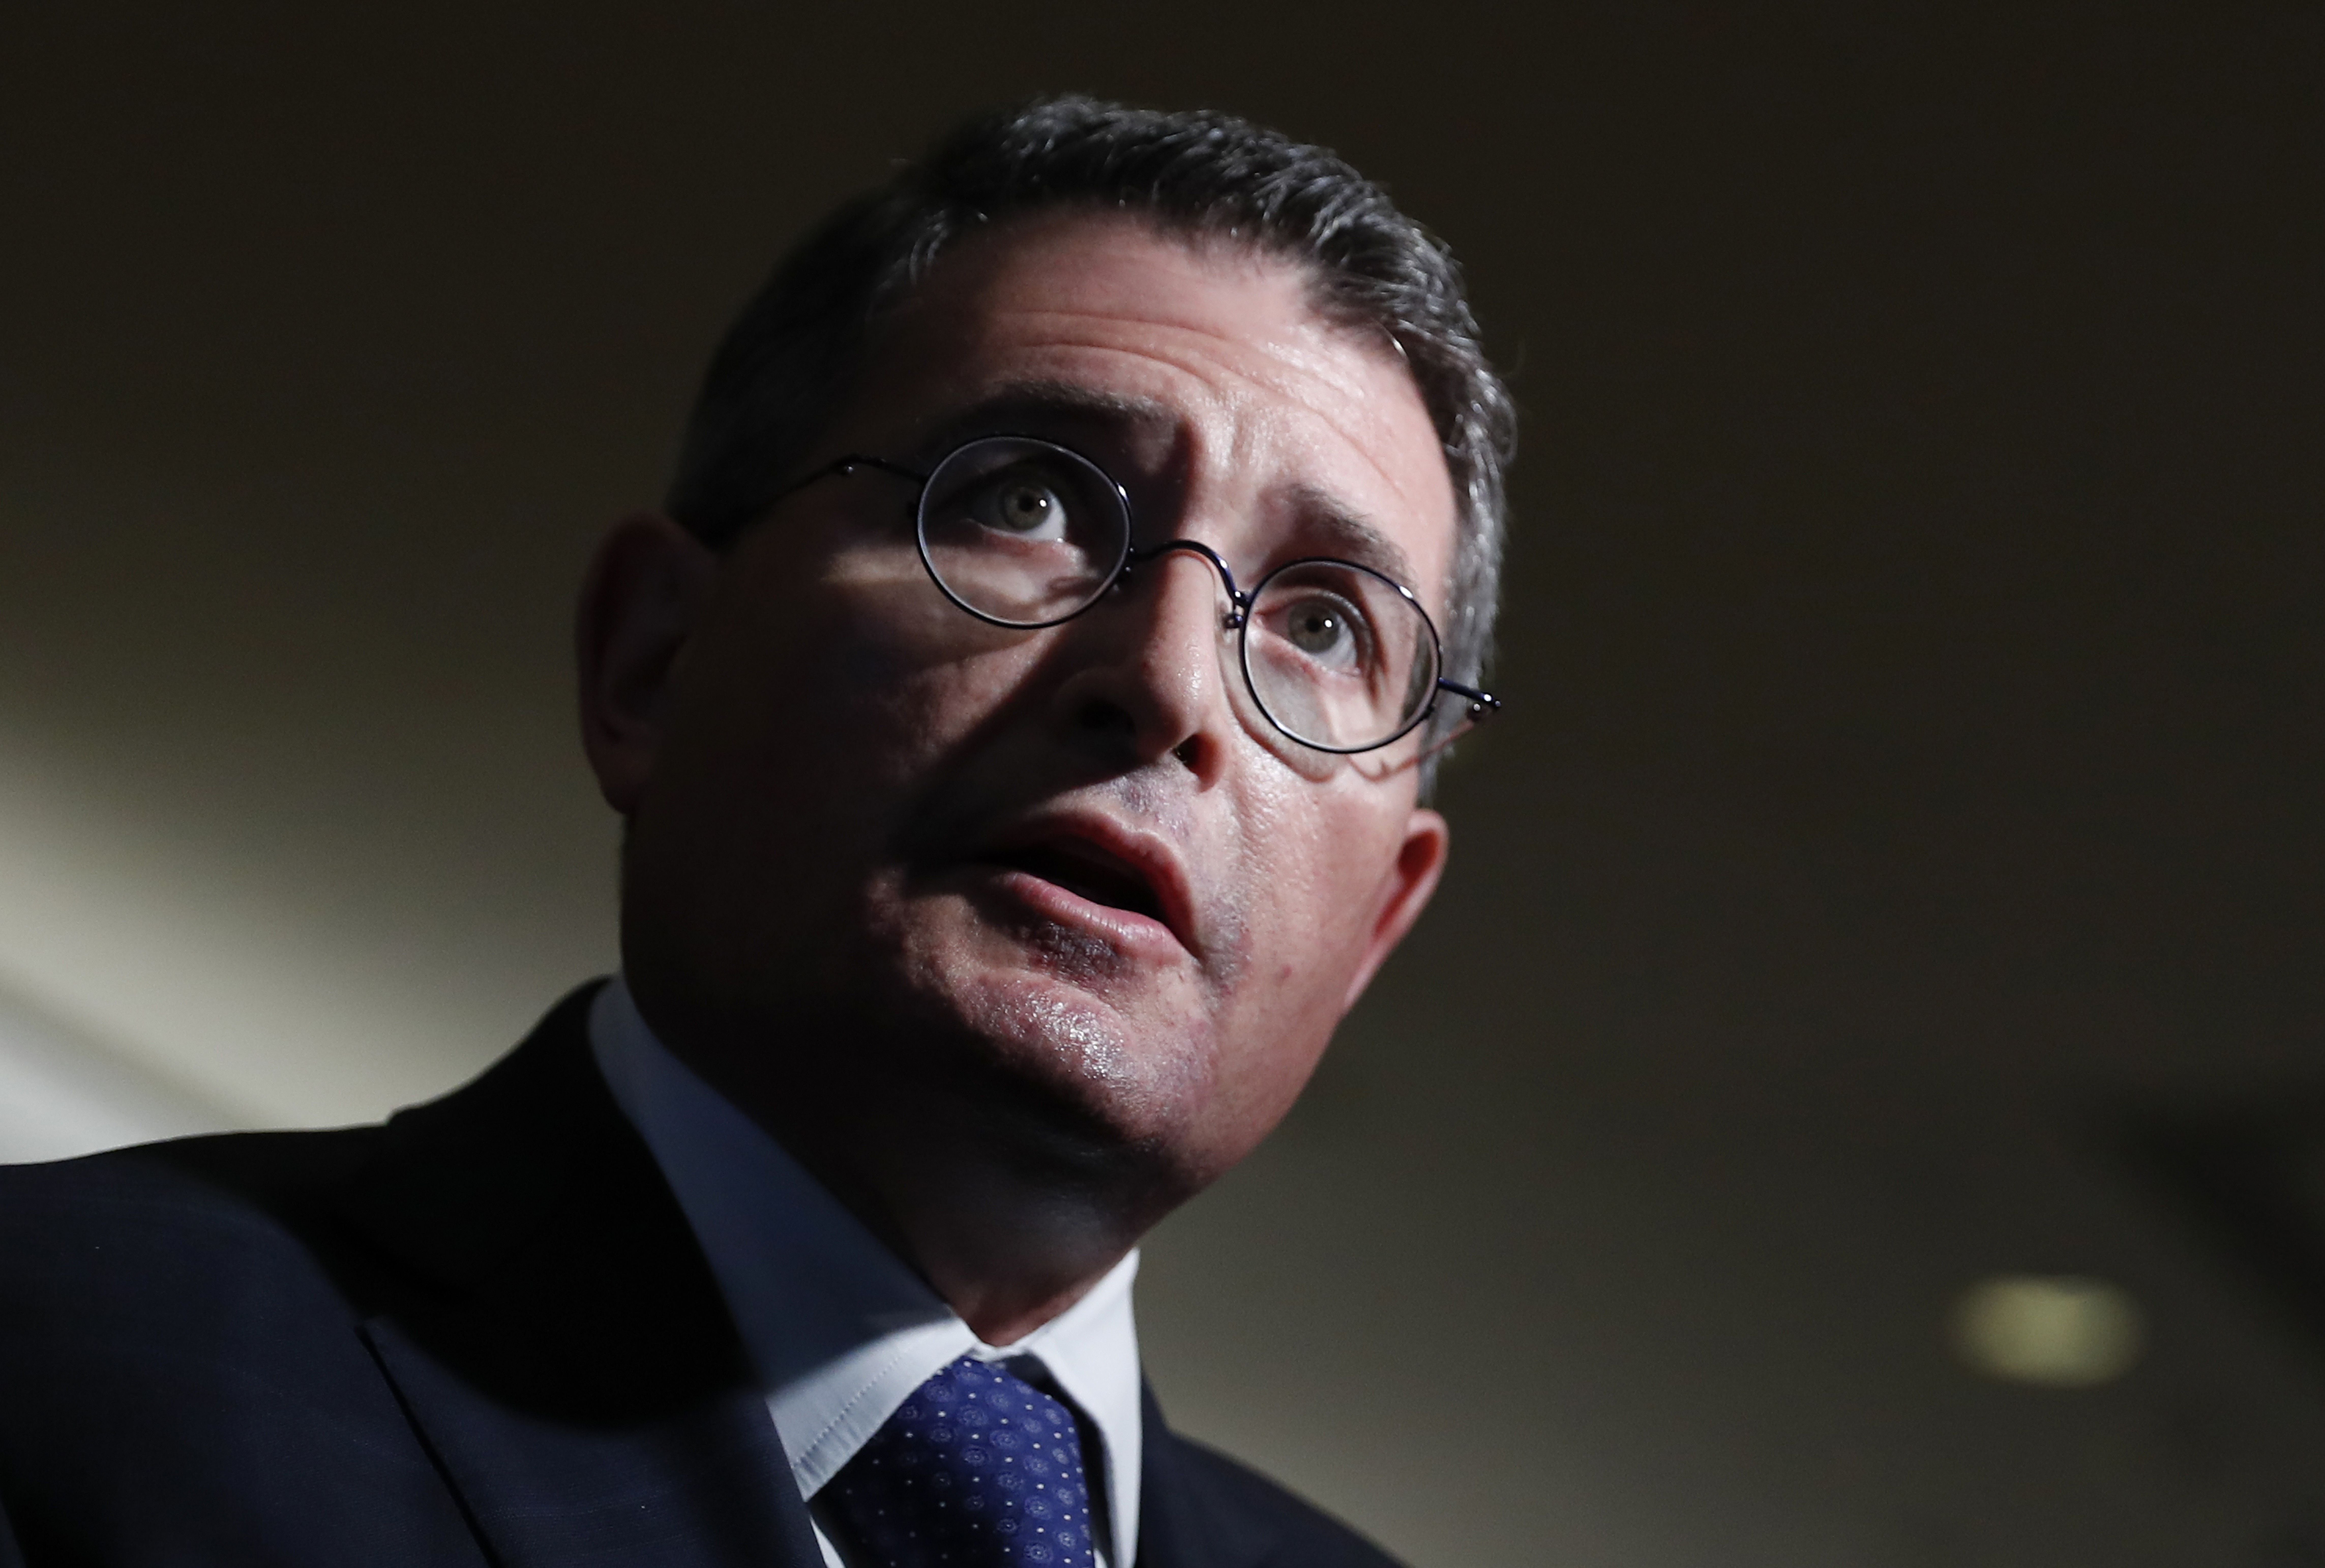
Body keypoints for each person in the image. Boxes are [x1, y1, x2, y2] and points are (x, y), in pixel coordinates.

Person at [0, 96, 1514, 1568]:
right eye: (1032, 501)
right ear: (652, 658)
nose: (1171, 679)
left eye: (1324, 621)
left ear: (1378, 921)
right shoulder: (60, 1353)